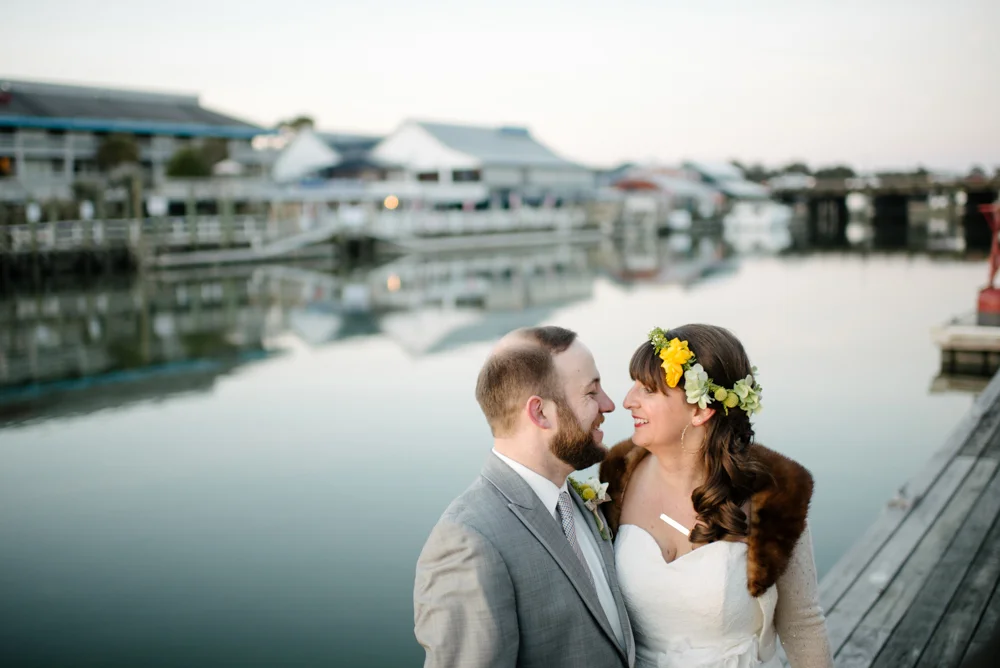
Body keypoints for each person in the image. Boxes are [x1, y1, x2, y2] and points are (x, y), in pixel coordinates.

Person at [600, 324, 833, 668]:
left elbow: (802, 624)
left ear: (699, 409)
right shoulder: (618, 477)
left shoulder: (774, 496)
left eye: (648, 389)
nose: (627, 401)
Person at [414, 326, 635, 668]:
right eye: (591, 392)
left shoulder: (575, 498)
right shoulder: (468, 542)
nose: (609, 404)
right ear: (540, 413)